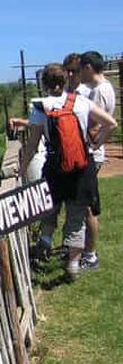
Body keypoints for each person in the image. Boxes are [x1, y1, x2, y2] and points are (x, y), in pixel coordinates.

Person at [20, 64, 117, 280]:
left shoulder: (40, 108)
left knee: (49, 208)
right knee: (76, 217)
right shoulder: (81, 102)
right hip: (82, 168)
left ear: (44, 84)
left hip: (55, 168)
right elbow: (111, 123)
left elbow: (33, 144)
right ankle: (73, 265)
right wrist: (94, 144)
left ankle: (44, 242)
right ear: (65, 81)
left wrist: (22, 169)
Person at [78, 51, 117, 269]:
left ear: (88, 67)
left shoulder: (99, 91)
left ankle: (90, 255)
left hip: (91, 154)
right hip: (93, 152)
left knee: (88, 207)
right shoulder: (105, 87)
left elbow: (94, 124)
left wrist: (94, 144)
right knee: (85, 204)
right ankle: (85, 249)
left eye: (81, 69)